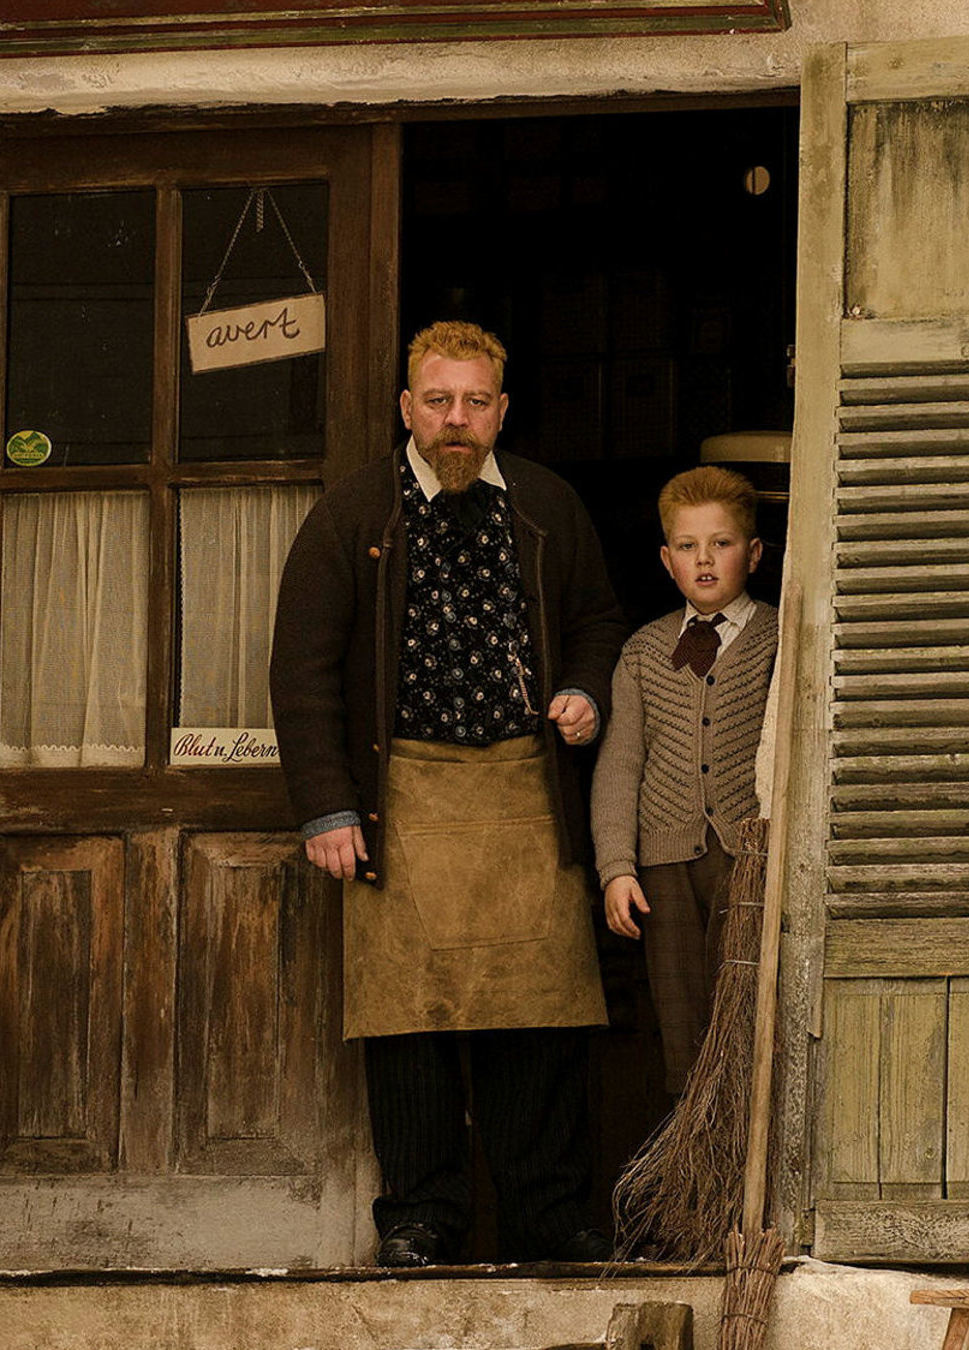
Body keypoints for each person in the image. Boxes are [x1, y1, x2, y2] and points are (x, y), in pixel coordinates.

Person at [269, 320, 629, 1268]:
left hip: (525, 798)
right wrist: (327, 806)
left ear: (502, 411)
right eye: (439, 402)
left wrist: (586, 692)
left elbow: (598, 619)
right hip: (405, 803)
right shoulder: (352, 517)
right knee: (408, 1026)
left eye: (475, 402)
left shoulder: (549, 505)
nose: (456, 421)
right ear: (407, 410)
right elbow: (301, 669)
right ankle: (422, 1219)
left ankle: (548, 1218)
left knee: (538, 1022)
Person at [591, 466, 777, 1094]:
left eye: (721, 544)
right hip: (664, 869)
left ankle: (748, 1164)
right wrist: (617, 867)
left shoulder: (780, 637)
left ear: (752, 554)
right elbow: (620, 764)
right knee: (681, 1028)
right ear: (667, 560)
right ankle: (692, 1170)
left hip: (747, 859)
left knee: (749, 1016)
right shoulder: (645, 652)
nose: (705, 560)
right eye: (689, 547)